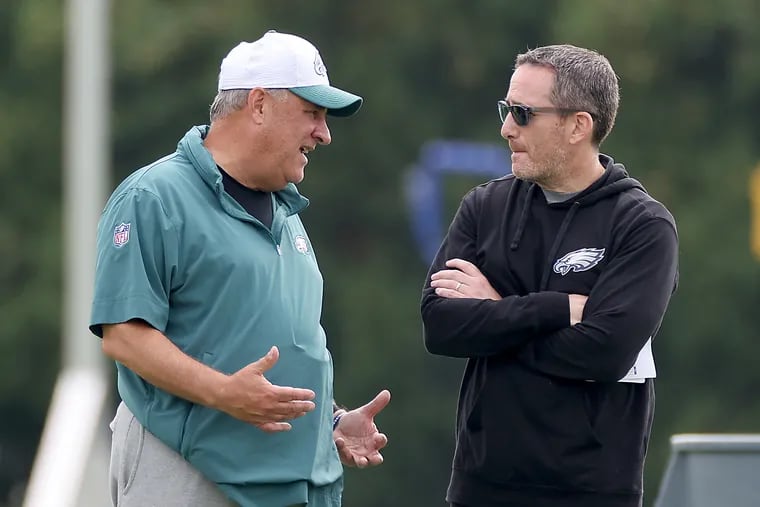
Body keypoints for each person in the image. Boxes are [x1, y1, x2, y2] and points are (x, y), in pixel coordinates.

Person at [90, 30, 390, 507]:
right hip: (189, 472)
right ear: (258, 104)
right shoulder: (154, 197)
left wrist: (328, 422)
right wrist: (224, 394)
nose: (324, 133)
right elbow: (123, 333)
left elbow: (270, 343)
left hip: (292, 485)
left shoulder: (287, 212)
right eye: (312, 113)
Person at [421, 44, 678, 507]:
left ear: (578, 125)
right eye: (506, 109)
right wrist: (556, 308)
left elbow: (604, 353)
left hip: (592, 491)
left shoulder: (643, 226)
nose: (505, 128)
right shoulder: (484, 207)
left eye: (522, 113)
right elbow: (441, 328)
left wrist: (494, 314)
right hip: (481, 486)